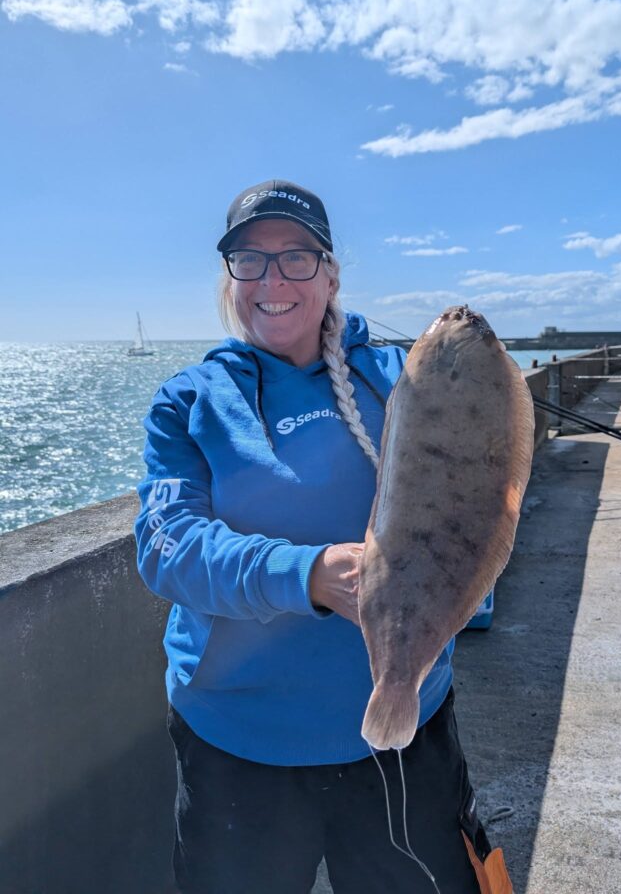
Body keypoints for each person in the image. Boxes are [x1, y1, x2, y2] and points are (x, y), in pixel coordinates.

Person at [135, 180, 495, 893]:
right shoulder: (189, 400)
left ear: (330, 275)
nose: (273, 280)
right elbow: (165, 544)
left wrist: (469, 349)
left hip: (407, 731)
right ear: (230, 278)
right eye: (250, 259)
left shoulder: (403, 378)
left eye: (296, 258)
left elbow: (479, 492)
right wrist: (308, 575)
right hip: (237, 743)